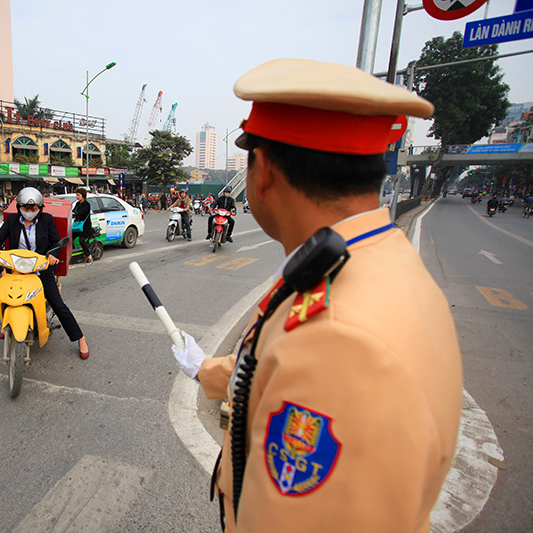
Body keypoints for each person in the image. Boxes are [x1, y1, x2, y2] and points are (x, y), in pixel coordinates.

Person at [170, 59, 462, 531]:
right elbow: (277, 368)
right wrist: (206, 368)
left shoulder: (338, 339)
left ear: (261, 172)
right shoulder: (380, 259)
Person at [0, 187, 90, 359]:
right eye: (26, 208)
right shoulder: (12, 220)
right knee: (4, 294)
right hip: (17, 269)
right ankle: (5, 324)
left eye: (33, 209)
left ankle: (80, 338)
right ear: (19, 207)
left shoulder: (46, 220)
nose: (29, 212)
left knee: (58, 305)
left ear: (40, 208)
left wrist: (53, 255)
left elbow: (55, 242)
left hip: (40, 269)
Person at [72, 188, 94, 264]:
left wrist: (76, 213)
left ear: (83, 195)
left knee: (81, 240)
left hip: (85, 227)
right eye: (76, 195)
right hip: (77, 225)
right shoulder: (77, 204)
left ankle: (89, 256)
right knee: (70, 238)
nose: (77, 197)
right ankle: (71, 254)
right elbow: (73, 211)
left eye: (78, 195)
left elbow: (81, 212)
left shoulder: (87, 204)